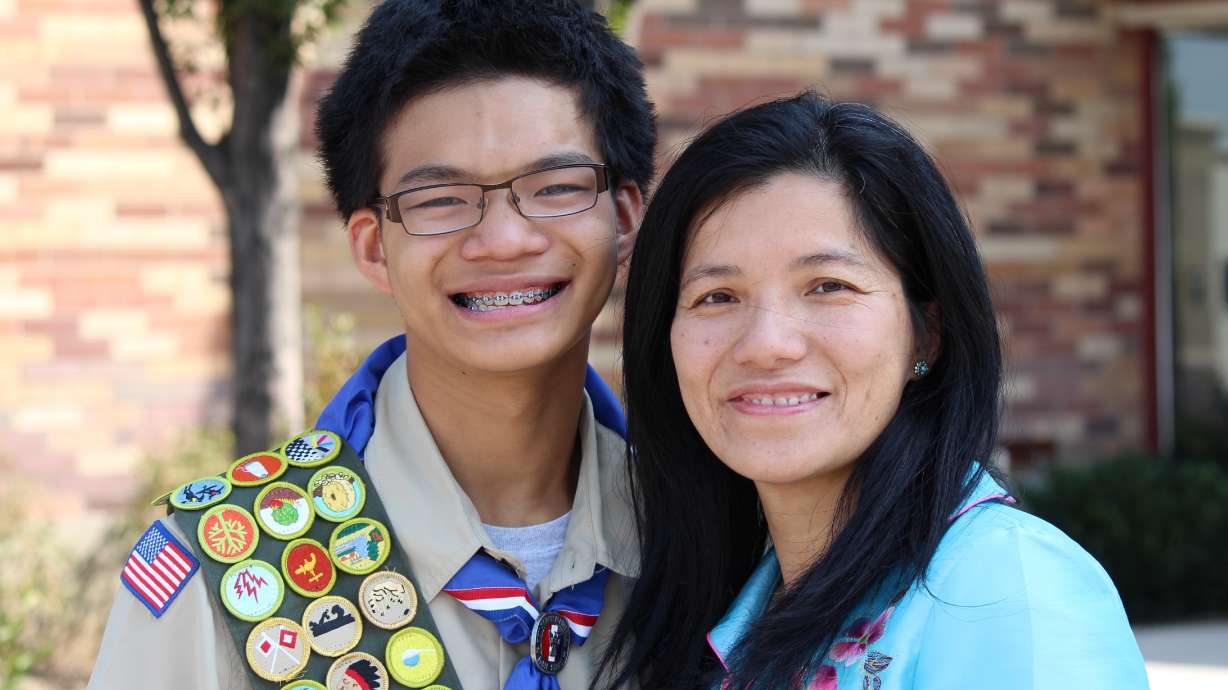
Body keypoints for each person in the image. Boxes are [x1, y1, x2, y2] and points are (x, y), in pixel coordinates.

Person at [87, 1, 654, 688]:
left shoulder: (706, 539)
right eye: (440, 199)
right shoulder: (222, 572)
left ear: (623, 219)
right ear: (372, 247)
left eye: (556, 187)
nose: (506, 240)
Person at [601, 91, 1148, 689]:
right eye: (718, 297)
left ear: (926, 334)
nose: (766, 343)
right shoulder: (727, 611)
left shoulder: (1005, 586)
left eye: (828, 286)